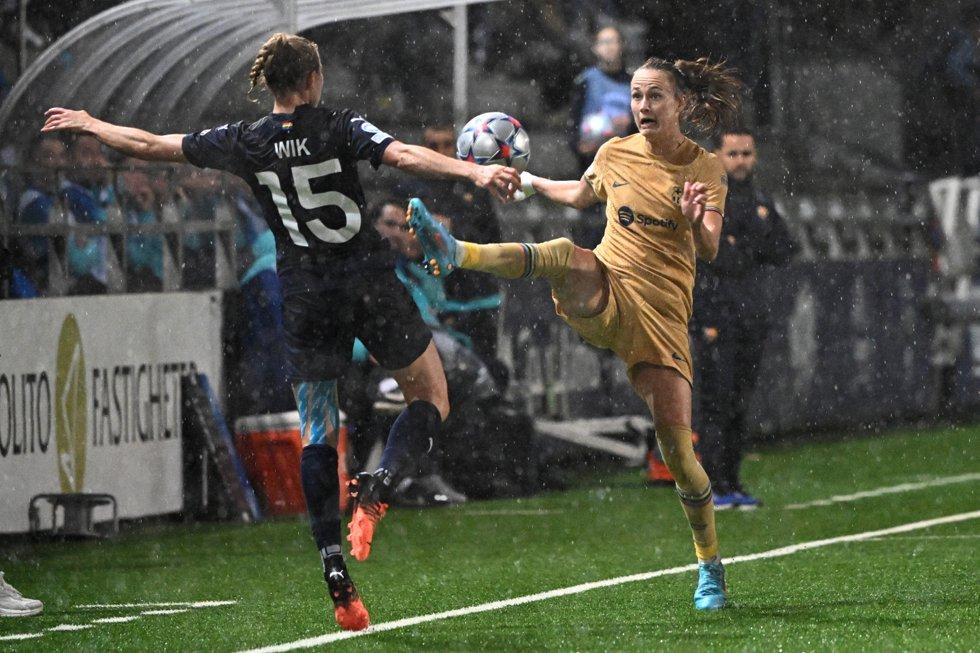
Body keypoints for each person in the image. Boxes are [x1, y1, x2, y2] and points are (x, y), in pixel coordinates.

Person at [42, 32, 518, 632]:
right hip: (365, 277)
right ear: (313, 79)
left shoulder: (246, 139)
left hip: (305, 292)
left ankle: (333, 572)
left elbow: (150, 144)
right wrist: (470, 174)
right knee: (431, 396)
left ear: (269, 84)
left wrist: (91, 123)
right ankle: (383, 481)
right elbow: (403, 156)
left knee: (319, 429)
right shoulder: (340, 124)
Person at [409, 56, 740, 611]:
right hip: (607, 288)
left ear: (680, 103)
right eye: (636, 96)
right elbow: (583, 195)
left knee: (680, 453)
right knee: (566, 254)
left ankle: (709, 565)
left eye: (655, 96)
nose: (642, 107)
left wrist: (688, 217)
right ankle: (457, 252)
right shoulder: (613, 153)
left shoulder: (704, 168)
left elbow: (708, 248)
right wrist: (531, 184)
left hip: (660, 319)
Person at [694, 128, 796, 510]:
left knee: (739, 402)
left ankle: (733, 481)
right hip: (715, 313)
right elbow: (712, 254)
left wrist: (743, 246)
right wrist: (746, 247)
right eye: (733, 153)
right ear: (717, 155)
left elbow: (785, 248)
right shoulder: (708, 197)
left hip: (751, 313)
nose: (741, 161)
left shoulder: (760, 198)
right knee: (715, 401)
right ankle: (714, 486)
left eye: (747, 153)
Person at [568, 25, 634, 172]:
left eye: (613, 41)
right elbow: (574, 118)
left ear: (622, 45)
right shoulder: (585, 80)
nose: (609, 47)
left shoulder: (633, 82)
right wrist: (578, 147)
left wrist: (627, 126)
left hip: (624, 161)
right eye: (604, 42)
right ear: (595, 48)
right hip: (591, 160)